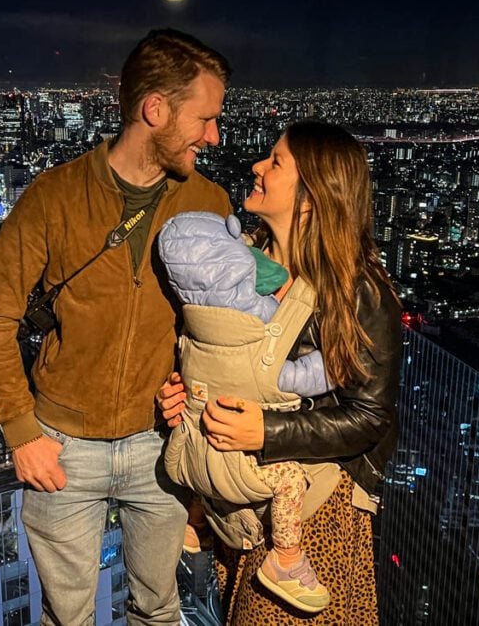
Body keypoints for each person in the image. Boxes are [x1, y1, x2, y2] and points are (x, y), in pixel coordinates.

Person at [0, 28, 233, 625]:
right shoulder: (55, 197)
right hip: (62, 443)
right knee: (68, 620)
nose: (214, 136)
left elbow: (227, 325)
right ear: (155, 109)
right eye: (206, 118)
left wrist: (191, 388)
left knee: (160, 608)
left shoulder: (209, 204)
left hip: (160, 443)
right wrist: (20, 429)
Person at [157, 120, 401, 624]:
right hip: (235, 504)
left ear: (311, 195)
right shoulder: (233, 266)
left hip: (314, 511)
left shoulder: (358, 292)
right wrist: (181, 396)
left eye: (275, 162)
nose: (257, 167)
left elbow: (370, 416)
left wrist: (267, 431)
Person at [157, 210, 334, 613]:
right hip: (248, 470)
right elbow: (302, 377)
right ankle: (287, 559)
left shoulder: (192, 330)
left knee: (205, 440)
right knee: (288, 478)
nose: (257, 166)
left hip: (189, 456)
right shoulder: (260, 335)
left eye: (274, 162)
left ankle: (195, 519)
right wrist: (336, 367)